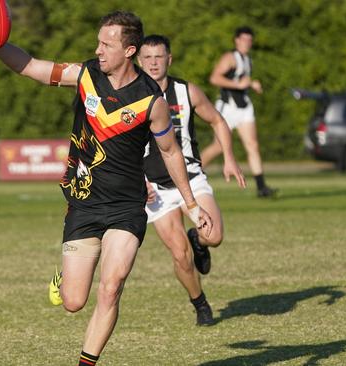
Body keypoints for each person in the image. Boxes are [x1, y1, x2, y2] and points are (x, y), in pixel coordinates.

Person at [0, 11, 212, 366]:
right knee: (73, 301)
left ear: (130, 50)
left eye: (107, 44)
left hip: (128, 207)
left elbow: (171, 151)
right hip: (84, 204)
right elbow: (30, 67)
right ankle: (66, 275)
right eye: (98, 42)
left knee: (111, 287)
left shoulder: (151, 100)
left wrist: (192, 205)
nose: (98, 50)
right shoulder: (85, 75)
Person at [137, 35, 246, 326]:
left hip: (192, 178)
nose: (153, 63)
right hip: (156, 191)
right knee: (180, 256)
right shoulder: (129, 97)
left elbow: (218, 121)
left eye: (159, 57)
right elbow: (118, 145)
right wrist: (137, 180)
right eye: (147, 57)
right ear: (138, 61)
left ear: (169, 59)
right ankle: (200, 304)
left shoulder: (186, 91)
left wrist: (230, 158)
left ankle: (198, 240)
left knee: (214, 236)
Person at [199, 26, 277, 198]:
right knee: (218, 147)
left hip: (244, 106)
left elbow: (241, 80)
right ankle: (192, 174)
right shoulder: (230, 57)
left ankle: (261, 187)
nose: (247, 43)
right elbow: (214, 78)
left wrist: (251, 84)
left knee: (252, 145)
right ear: (236, 40)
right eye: (244, 40)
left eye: (250, 40)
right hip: (228, 108)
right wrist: (239, 85)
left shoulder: (247, 59)